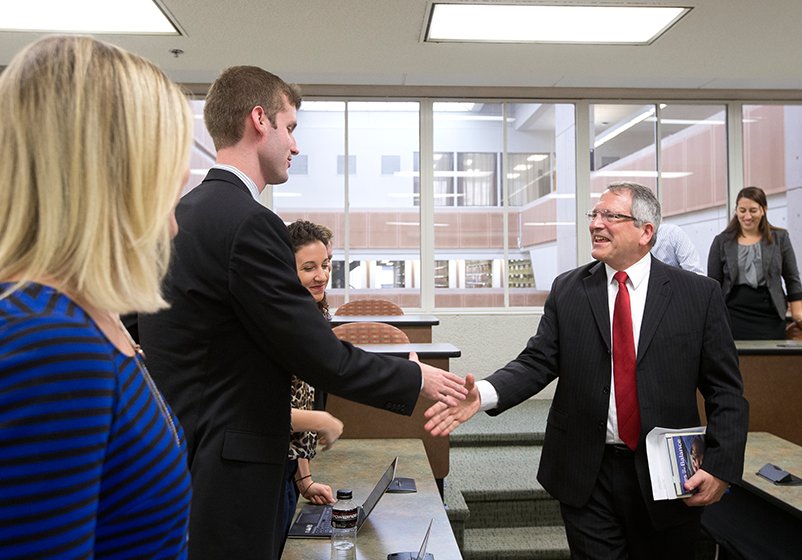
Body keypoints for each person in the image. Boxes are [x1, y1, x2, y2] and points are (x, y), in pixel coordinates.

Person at [137, 65, 466, 560]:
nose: (295, 145)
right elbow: (317, 354)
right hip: (232, 469)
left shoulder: (183, 214)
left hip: (183, 455)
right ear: (259, 120)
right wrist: (414, 378)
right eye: (290, 128)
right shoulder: (250, 223)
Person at [425, 182, 749, 560]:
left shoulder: (698, 295)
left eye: (610, 215)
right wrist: (483, 393)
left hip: (668, 477)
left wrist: (721, 466)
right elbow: (538, 361)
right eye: (594, 215)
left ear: (646, 232)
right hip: (586, 471)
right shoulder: (569, 289)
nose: (596, 223)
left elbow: (725, 391)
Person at [0, 36, 193, 559]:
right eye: (171, 163)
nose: (183, 176)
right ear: (118, 172)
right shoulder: (44, 344)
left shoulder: (77, 322)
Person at [282, 219, 344, 538]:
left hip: (289, 472)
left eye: (325, 264)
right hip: (267, 471)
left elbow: (301, 394)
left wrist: (304, 480)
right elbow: (268, 411)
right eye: (309, 267)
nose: (321, 275)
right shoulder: (280, 324)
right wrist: (321, 420)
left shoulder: (312, 316)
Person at [707, 186, 802, 340]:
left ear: (763, 210)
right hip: (732, 314)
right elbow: (713, 283)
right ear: (736, 210)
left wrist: (798, 315)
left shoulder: (780, 238)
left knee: (770, 361)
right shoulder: (721, 241)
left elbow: (792, 278)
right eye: (742, 210)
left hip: (770, 315)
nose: (747, 216)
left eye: (753, 210)